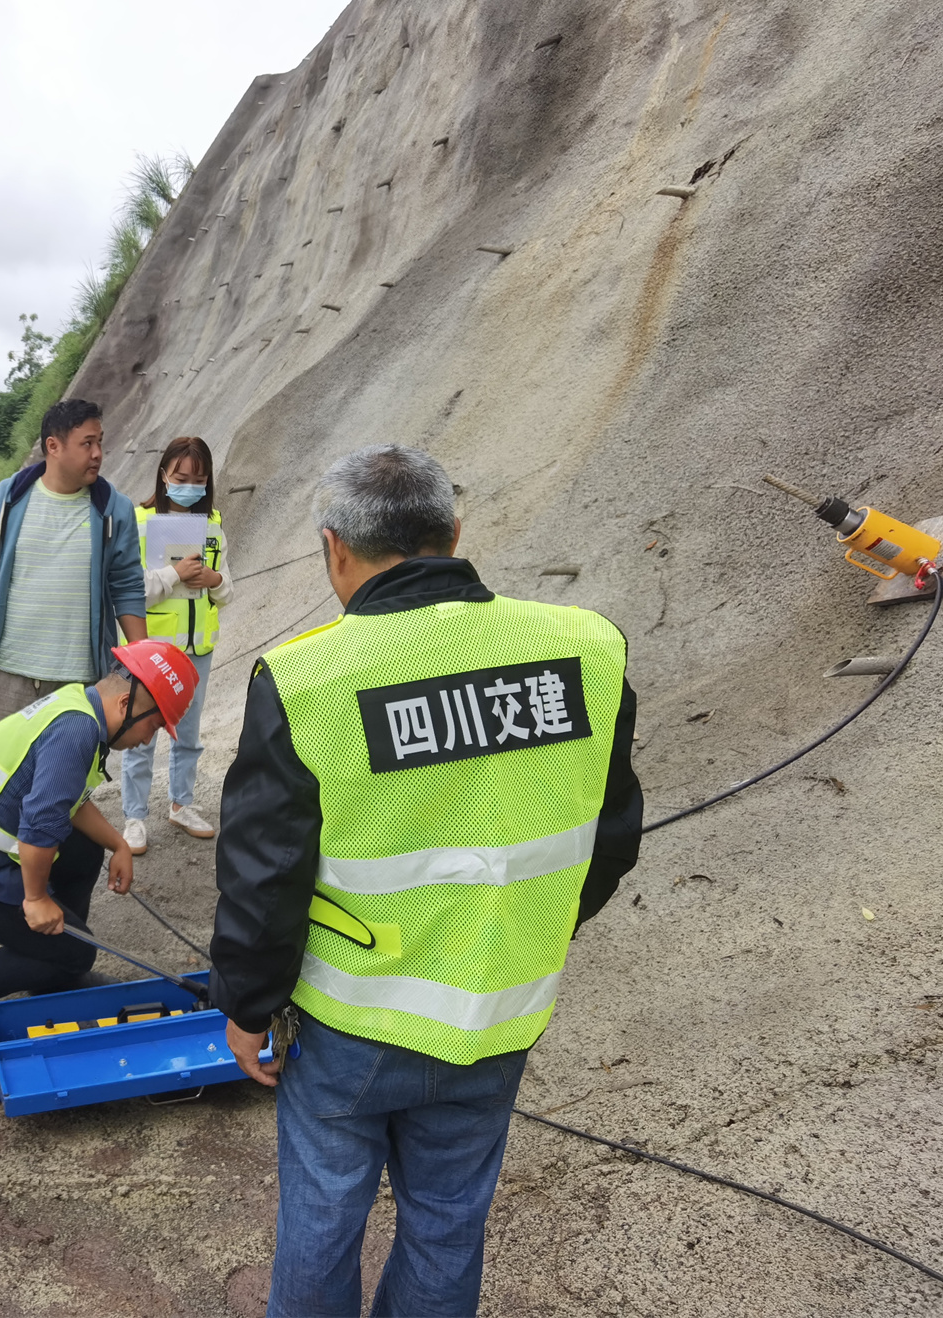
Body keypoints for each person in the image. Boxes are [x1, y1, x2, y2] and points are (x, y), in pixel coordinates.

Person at [209, 445, 643, 1318]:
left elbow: (265, 878)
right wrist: (521, 931)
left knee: (323, 1221)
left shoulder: (307, 677)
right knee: (448, 1224)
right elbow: (612, 838)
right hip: (500, 1008)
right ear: (453, 533)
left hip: (353, 1025)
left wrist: (247, 1006)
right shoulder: (585, 648)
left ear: (335, 549)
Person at [0, 640, 198, 1040]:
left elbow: (70, 802)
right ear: (126, 704)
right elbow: (41, 825)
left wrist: (119, 845)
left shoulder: (79, 704)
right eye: (153, 725)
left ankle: (52, 968)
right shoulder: (77, 730)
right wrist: (36, 899)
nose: (149, 740)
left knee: (83, 851)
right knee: (77, 952)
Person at [0, 397, 147, 739]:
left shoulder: (115, 510)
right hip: (5, 679)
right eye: (87, 443)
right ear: (53, 446)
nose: (98, 453)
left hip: (79, 684)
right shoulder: (8, 499)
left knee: (65, 788)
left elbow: (127, 586)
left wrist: (142, 666)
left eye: (100, 442)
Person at [121, 435, 232, 855]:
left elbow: (228, 588)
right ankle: (134, 817)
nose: (189, 485)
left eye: (198, 478)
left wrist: (216, 581)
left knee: (189, 734)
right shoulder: (139, 522)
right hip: (151, 652)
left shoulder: (214, 524)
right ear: (164, 475)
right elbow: (130, 589)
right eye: (181, 477)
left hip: (198, 651)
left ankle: (182, 804)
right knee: (141, 735)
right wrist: (173, 575)